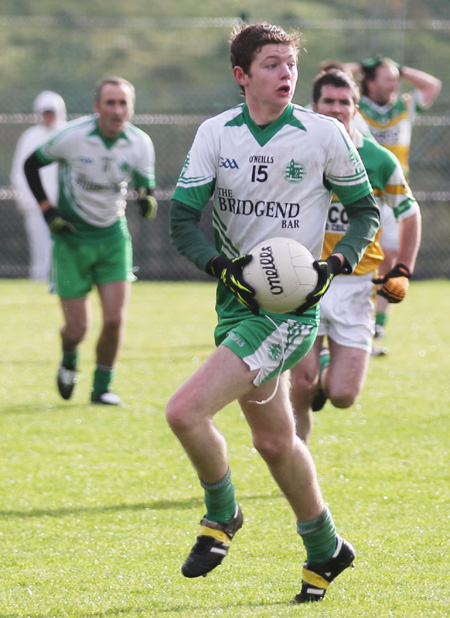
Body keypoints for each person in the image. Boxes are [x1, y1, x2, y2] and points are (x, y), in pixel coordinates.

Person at [167, 23, 380, 604]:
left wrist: (336, 265)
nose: (286, 74)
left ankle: (221, 516)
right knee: (275, 443)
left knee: (185, 412)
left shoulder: (324, 134)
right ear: (241, 76)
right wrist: (222, 267)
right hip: (236, 303)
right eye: (270, 64)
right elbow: (183, 219)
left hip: (290, 310)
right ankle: (327, 548)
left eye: (290, 64)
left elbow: (364, 212)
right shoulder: (217, 134)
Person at [290, 69, 421, 442]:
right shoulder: (295, 151)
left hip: (357, 285)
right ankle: (296, 465)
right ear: (313, 107)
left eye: (343, 102)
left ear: (356, 107)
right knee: (300, 383)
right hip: (304, 281)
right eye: (327, 102)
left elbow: (410, 214)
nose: (335, 109)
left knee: (343, 396)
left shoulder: (378, 160)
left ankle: (328, 366)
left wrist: (402, 271)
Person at [24, 76, 157, 406]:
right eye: (110, 103)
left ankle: (101, 389)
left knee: (114, 319)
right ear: (97, 107)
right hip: (70, 242)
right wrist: (47, 210)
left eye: (123, 103)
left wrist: (146, 200)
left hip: (112, 238)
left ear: (131, 108)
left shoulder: (139, 142)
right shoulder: (72, 138)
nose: (117, 110)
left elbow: (145, 187)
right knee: (77, 328)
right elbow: (31, 165)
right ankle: (69, 356)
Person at [345, 56, 441, 345]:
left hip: (395, 193)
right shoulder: (355, 107)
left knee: (389, 258)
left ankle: (378, 322)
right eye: (387, 78)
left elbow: (433, 86)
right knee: (363, 256)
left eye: (395, 79)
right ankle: (354, 317)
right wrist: (362, 66)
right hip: (365, 192)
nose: (394, 83)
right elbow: (333, 74)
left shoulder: (403, 106)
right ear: (370, 83)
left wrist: (400, 68)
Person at [10, 91, 67, 281]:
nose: (48, 116)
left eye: (51, 112)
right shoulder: (30, 136)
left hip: (62, 203)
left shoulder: (66, 135)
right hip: (35, 204)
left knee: (61, 244)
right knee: (39, 245)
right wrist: (25, 198)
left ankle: (61, 279)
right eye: (45, 112)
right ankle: (39, 278)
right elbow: (20, 169)